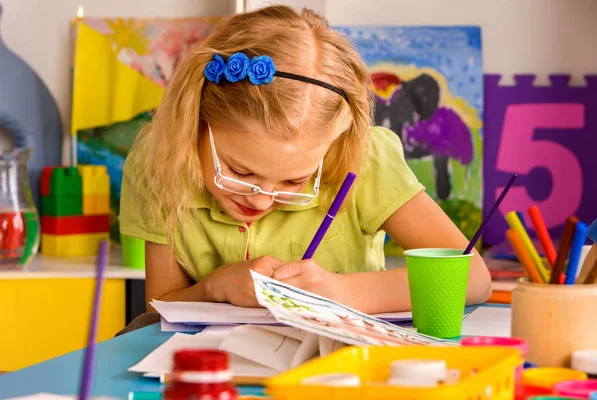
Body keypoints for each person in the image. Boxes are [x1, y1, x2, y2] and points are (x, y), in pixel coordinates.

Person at [119, 5, 491, 315]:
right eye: (239, 171)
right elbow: (160, 309)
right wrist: (215, 287)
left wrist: (339, 291)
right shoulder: (160, 159)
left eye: (295, 181)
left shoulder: (364, 156)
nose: (262, 200)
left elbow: (472, 277)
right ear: (196, 122)